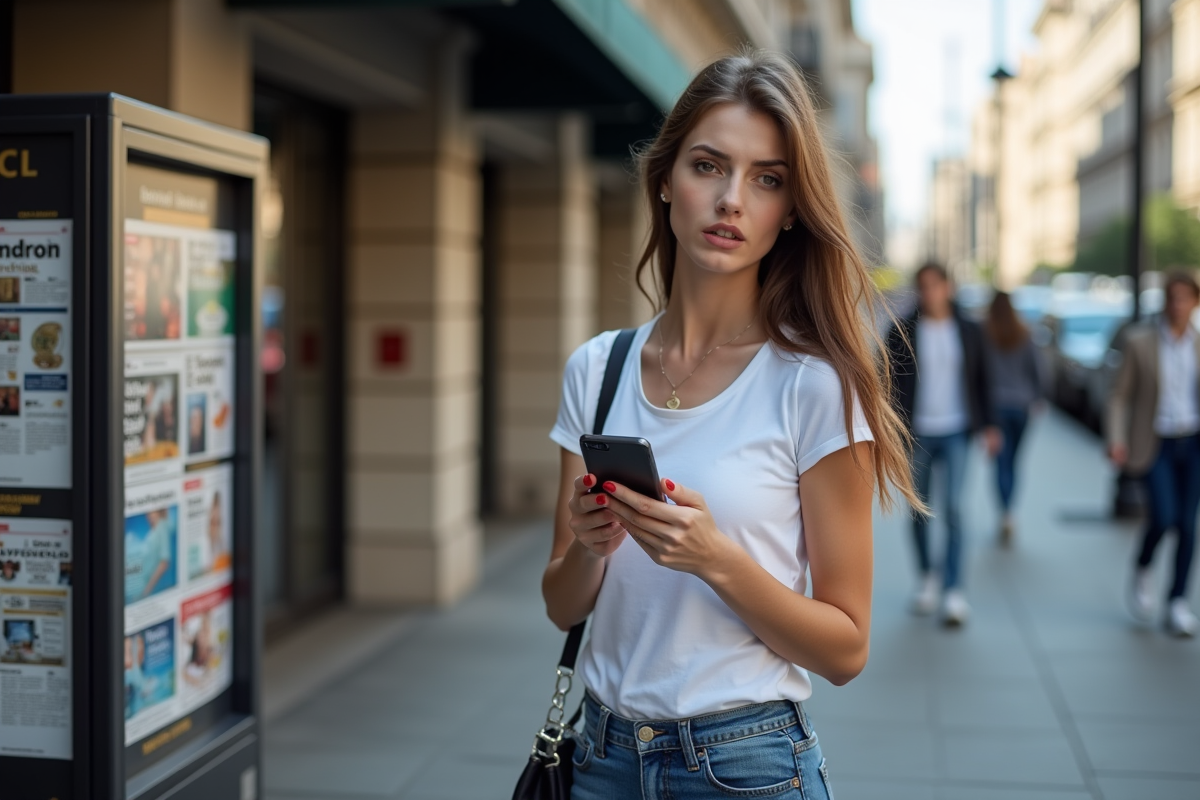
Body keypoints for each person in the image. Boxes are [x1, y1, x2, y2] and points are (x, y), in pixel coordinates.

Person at [544, 51, 920, 799]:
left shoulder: (814, 386)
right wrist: (590, 546)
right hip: (599, 759)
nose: (731, 200)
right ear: (665, 179)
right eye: (709, 166)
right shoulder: (598, 369)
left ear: (788, 214)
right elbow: (561, 602)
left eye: (767, 179)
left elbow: (846, 648)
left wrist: (715, 558)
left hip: (744, 765)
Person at [887, 264, 998, 626]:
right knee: (920, 510)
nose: (930, 293)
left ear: (948, 287)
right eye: (924, 286)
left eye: (936, 285)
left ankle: (953, 590)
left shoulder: (969, 329)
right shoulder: (903, 330)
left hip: (957, 432)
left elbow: (984, 378)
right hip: (917, 433)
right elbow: (884, 379)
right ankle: (927, 578)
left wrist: (991, 425)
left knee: (954, 509)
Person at [1107, 271, 1200, 637]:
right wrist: (1116, 439)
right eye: (1171, 297)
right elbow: (1119, 396)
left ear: (1194, 302)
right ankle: (1143, 566)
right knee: (1163, 516)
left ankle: (1177, 601)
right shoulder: (1140, 341)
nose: (1177, 305)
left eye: (1185, 298)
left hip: (1193, 442)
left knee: (1188, 525)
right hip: (1155, 442)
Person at [984, 291, 1045, 545]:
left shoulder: (985, 335)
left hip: (995, 407)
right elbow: (1040, 370)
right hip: (1021, 407)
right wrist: (1039, 397)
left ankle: (1005, 512)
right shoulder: (1025, 333)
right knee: (1014, 462)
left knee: (1001, 462)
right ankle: (1010, 513)